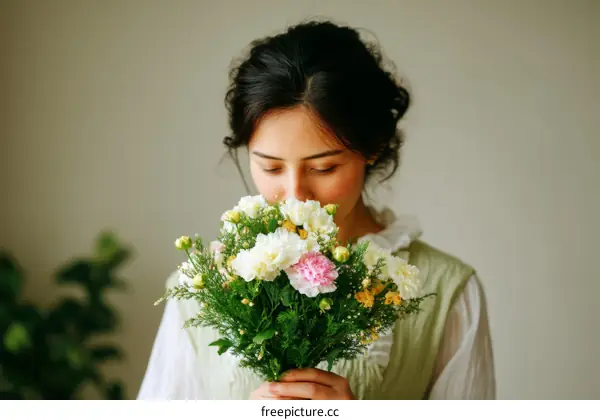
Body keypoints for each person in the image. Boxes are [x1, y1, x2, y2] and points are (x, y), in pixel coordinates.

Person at [137, 19, 496, 400]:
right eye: (271, 167)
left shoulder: (445, 291)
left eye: (324, 168)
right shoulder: (202, 286)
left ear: (372, 148)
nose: (295, 197)